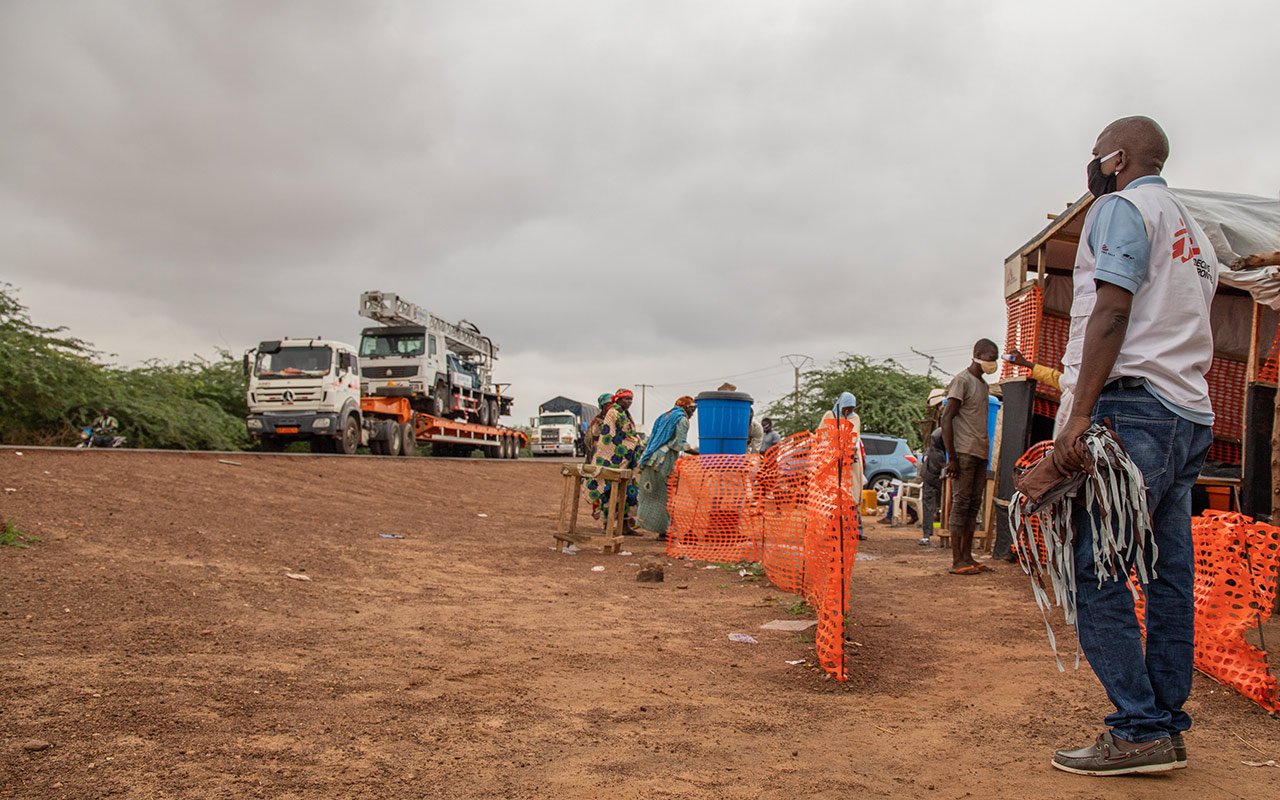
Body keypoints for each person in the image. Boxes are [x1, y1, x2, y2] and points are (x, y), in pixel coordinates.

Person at [1048, 117, 1217, 777]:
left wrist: (1077, 418)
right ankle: (1164, 725)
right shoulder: (1193, 229)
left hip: (1134, 410)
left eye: (1095, 158)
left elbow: (1113, 312)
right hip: (1189, 414)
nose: (1091, 168)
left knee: (1096, 572)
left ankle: (1140, 728)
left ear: (1116, 158)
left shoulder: (1122, 208)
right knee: (1168, 576)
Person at [940, 338, 998, 575]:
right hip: (963, 453)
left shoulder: (983, 386)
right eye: (990, 357)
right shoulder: (962, 381)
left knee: (973, 505)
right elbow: (947, 418)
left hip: (980, 451)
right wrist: (951, 457)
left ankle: (967, 556)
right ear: (977, 355)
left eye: (995, 357)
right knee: (961, 504)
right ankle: (957, 560)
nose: (993, 362)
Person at [636, 396, 697, 539]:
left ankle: (660, 528)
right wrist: (699, 453)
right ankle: (664, 530)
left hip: (651, 459)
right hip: (663, 461)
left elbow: (651, 438)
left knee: (653, 495)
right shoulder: (681, 419)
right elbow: (679, 444)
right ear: (686, 407)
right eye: (692, 409)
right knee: (664, 495)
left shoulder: (664, 416)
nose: (693, 414)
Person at [585, 389, 642, 535]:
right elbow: (601, 442)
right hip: (608, 459)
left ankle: (624, 525)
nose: (609, 406)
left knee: (627, 493)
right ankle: (608, 525)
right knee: (607, 492)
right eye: (607, 404)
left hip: (622, 459)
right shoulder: (600, 421)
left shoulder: (622, 414)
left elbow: (626, 434)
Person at [918, 428, 945, 546]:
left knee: (928, 504)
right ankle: (927, 534)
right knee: (946, 502)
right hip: (935, 475)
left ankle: (926, 535)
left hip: (929, 474)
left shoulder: (937, 433)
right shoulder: (941, 435)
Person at [582, 392, 613, 462]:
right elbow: (591, 440)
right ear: (602, 406)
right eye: (608, 404)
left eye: (612, 404)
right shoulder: (597, 422)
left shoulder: (618, 418)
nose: (611, 406)